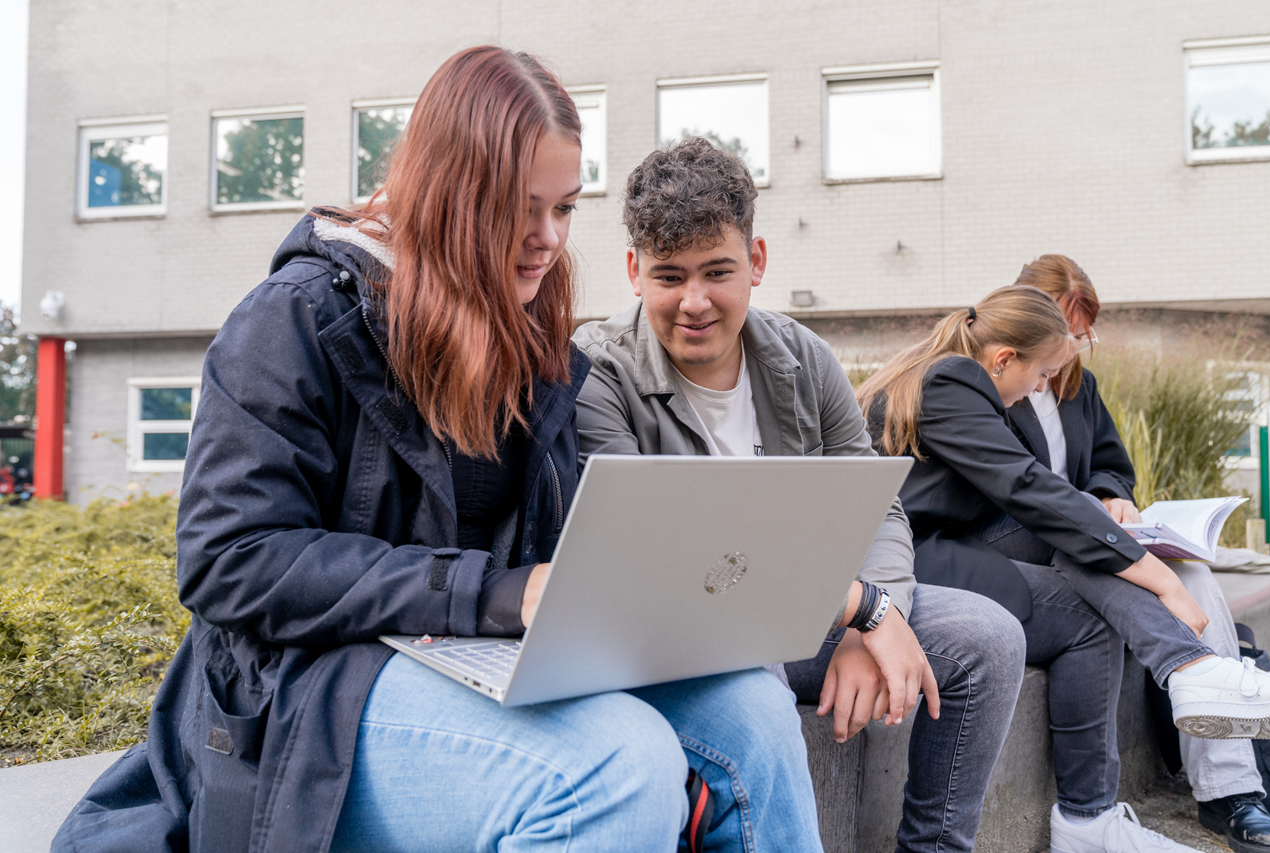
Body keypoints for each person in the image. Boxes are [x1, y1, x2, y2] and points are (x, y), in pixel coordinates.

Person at [54, 48, 825, 853]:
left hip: (477, 656)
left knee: (753, 710)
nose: (547, 239)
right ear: (449, 188)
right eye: (520, 209)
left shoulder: (524, 331)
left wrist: (640, 589)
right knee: (613, 765)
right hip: (313, 692)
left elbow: (539, 551)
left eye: (565, 207)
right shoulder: (294, 317)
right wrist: (488, 593)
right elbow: (228, 558)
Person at [572, 136, 1028, 853]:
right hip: (688, 631)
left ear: (756, 261)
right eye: (669, 276)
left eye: (717, 271)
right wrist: (860, 608)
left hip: (812, 606)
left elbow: (875, 505)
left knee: (988, 639)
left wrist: (869, 619)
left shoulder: (801, 357)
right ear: (634, 272)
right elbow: (664, 555)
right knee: (757, 674)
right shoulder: (598, 373)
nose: (694, 302)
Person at [857, 284, 1270, 853]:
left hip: (954, 546)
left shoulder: (955, 377)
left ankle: (1107, 799)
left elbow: (1037, 495)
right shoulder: (950, 381)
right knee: (1072, 558)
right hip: (906, 562)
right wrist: (1155, 577)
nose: (1043, 388)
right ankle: (1181, 689)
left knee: (1083, 572)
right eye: (1042, 374)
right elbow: (1028, 489)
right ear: (1004, 358)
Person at [1012, 253, 1270, 852]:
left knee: (1195, 574)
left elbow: (1109, 460)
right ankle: (1205, 696)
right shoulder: (997, 384)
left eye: (1080, 336)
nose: (1070, 350)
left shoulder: (1080, 386)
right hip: (1039, 550)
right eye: (1062, 333)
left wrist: (1111, 496)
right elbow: (1013, 487)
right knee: (1137, 574)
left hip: (1090, 537)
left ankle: (1230, 791)